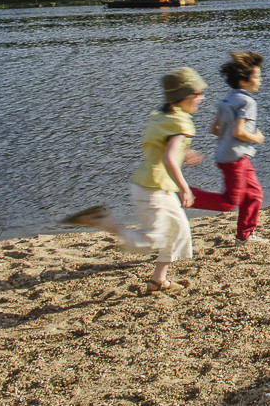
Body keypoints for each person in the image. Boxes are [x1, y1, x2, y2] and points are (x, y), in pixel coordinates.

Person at [62, 66, 208, 294]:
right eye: (197, 94)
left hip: (149, 185)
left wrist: (185, 152)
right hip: (154, 189)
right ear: (182, 97)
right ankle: (100, 221)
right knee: (151, 240)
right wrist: (185, 187)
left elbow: (161, 146)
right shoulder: (182, 124)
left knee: (178, 231)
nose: (202, 98)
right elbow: (169, 158)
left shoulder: (162, 117)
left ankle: (158, 280)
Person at [190, 51, 268, 245]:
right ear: (244, 81)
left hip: (229, 155)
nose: (260, 80)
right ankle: (185, 195)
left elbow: (215, 129)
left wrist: (233, 136)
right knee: (229, 202)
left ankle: (245, 236)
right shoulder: (247, 102)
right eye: (257, 77)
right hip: (236, 158)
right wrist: (256, 138)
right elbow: (239, 132)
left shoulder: (226, 99)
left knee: (254, 195)